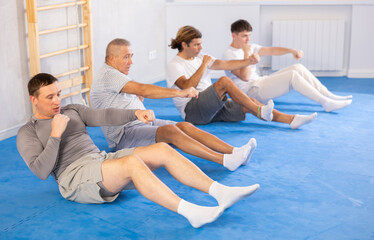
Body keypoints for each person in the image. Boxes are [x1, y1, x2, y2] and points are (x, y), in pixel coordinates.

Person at [16, 73, 260, 228]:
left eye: (58, 94)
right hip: (74, 177)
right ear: (33, 99)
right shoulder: (28, 132)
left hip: (100, 160)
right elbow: (40, 171)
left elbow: (104, 115)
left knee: (162, 149)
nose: (57, 101)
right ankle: (190, 212)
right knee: (133, 164)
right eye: (50, 97)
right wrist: (56, 136)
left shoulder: (71, 110)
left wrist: (134, 113)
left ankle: (220, 192)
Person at [90, 38, 256, 172]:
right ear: (112, 58)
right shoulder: (108, 75)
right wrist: (179, 92)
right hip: (124, 135)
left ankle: (234, 151)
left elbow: (136, 93)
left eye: (132, 56)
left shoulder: (116, 75)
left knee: (185, 126)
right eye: (126, 57)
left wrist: (137, 100)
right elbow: (143, 89)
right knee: (171, 131)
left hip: (141, 123)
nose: (131, 62)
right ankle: (225, 160)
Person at [166, 25, 317, 129]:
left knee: (248, 102)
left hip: (212, 107)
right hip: (193, 112)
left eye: (201, 44)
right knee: (224, 81)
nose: (201, 48)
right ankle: (260, 111)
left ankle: (291, 120)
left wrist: (248, 61)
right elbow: (186, 87)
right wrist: (204, 65)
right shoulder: (175, 64)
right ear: (185, 45)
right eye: (197, 45)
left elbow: (226, 64)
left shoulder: (200, 59)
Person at [223, 19, 352, 112]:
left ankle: (328, 94)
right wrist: (247, 55)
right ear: (234, 35)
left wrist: (291, 51)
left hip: (260, 82)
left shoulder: (251, 47)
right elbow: (245, 77)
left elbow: (271, 50)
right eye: (244, 36)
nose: (248, 40)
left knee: (298, 68)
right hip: (251, 92)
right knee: (292, 75)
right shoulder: (229, 54)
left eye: (249, 35)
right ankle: (325, 103)